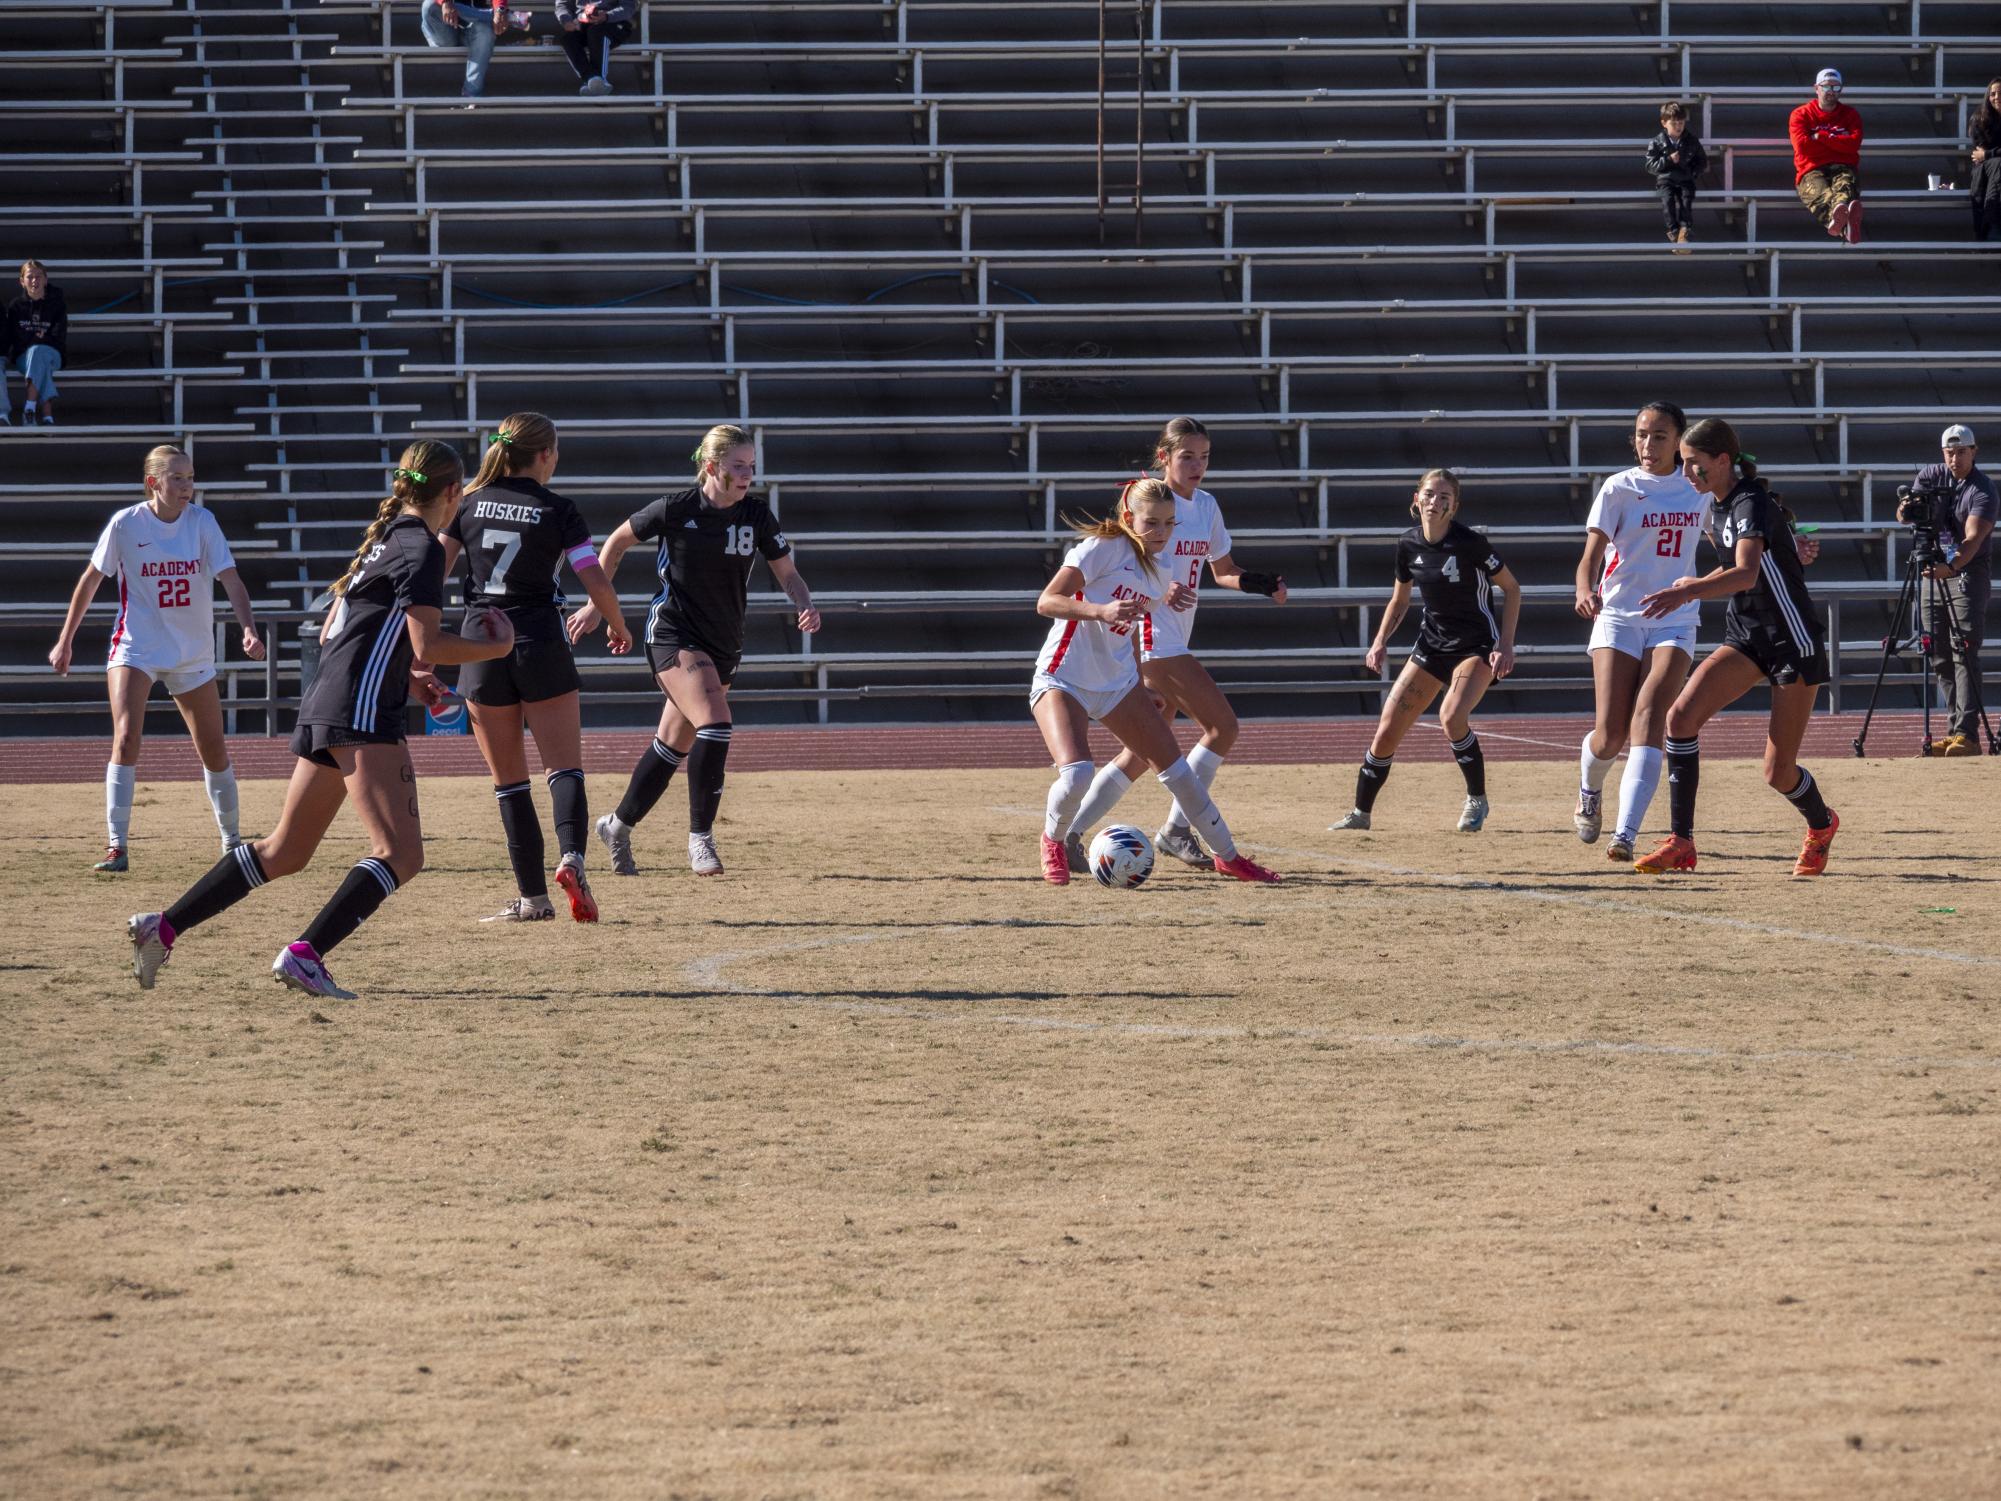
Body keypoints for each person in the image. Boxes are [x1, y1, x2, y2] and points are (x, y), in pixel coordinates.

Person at [126, 442, 515, 1000]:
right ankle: (305, 954)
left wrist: (407, 678)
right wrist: (494, 650)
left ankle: (160, 927)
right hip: (358, 707)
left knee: (286, 851)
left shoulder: (383, 539)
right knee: (401, 854)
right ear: (453, 493)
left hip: (330, 698)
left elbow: (351, 631)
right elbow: (427, 641)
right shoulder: (422, 548)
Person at [568, 425, 819, 878]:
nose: (747, 475)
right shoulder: (675, 508)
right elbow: (616, 543)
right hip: (672, 633)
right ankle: (700, 838)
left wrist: (804, 602)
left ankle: (617, 826)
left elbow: (788, 573)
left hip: (725, 641)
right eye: (738, 466)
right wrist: (594, 605)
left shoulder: (757, 516)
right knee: (716, 723)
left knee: (673, 744)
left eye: (752, 467)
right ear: (711, 466)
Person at [1060, 418, 1287, 873]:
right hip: (1150, 634)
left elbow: (1221, 570)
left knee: (1142, 754)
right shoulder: (1145, 498)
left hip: (1176, 633)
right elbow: (1125, 556)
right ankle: (1178, 830)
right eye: (1187, 456)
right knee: (1222, 727)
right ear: (1163, 457)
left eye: (1205, 456)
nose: (1198, 465)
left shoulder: (1206, 506)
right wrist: (1158, 591)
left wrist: (1259, 582)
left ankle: (1071, 833)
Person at [439, 414, 633, 922]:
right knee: (564, 767)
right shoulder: (558, 509)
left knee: (510, 783)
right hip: (541, 642)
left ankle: (532, 900)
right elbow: (594, 579)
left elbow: (428, 573)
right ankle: (571, 857)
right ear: (544, 454)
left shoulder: (469, 504)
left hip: (480, 645)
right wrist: (616, 625)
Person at [1633, 419, 1838, 876]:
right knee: (1680, 718)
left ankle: (1821, 826)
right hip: (1747, 635)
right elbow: (1744, 564)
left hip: (1792, 640)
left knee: (1777, 773)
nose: (1687, 473)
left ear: (1723, 461)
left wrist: (1686, 591)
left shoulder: (1750, 501)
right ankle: (1681, 842)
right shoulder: (1718, 504)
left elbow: (1746, 573)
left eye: (1694, 464)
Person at [49, 446, 266, 873]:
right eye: (178, 478)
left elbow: (232, 580)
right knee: (127, 735)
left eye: (191, 477)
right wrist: (65, 639)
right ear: (154, 483)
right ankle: (117, 846)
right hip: (137, 646)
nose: (188, 486)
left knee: (213, 750)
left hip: (191, 652)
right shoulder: (126, 524)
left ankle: (231, 841)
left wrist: (249, 628)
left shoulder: (203, 523)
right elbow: (91, 580)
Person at [1329, 469, 1521, 834]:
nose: (1436, 501)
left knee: (1451, 716)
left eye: (1445, 496)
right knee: (1387, 728)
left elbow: (1512, 589)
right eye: (1430, 494)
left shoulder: (1470, 543)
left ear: (1455, 505)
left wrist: (1505, 644)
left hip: (1476, 646)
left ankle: (1477, 799)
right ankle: (1360, 813)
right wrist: (1380, 640)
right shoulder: (1408, 543)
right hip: (1432, 646)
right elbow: (1400, 599)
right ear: (1416, 499)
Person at [1570, 401, 1712, 863]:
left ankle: (1625, 834)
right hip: (1619, 615)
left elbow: (1733, 540)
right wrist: (1584, 589)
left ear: (1679, 441)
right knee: (1610, 735)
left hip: (1675, 616)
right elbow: (1590, 556)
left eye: (1659, 436)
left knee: (1650, 717)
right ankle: (1590, 787)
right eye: (1641, 434)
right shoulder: (1619, 487)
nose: (1647, 445)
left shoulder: (1699, 488)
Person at [1899, 423, 1996, 755]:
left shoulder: (1982, 490)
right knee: (1938, 653)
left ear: (1974, 452)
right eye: (1950, 453)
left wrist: (1951, 566)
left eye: (1962, 452)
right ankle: (1954, 728)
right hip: (1931, 570)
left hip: (1965, 571)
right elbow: (1910, 510)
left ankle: (1967, 734)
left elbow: (1972, 539)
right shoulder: (1930, 475)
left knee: (1964, 650)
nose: (1955, 459)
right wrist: (1905, 510)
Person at [1790, 67, 1864, 244]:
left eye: (1836, 87)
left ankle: (1843, 225)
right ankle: (1847, 227)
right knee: (1818, 192)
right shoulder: (1801, 114)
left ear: (1841, 89)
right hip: (1811, 169)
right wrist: (1838, 142)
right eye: (1826, 87)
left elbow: (1854, 144)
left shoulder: (1850, 115)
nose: (1831, 91)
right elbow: (1802, 147)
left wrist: (1820, 137)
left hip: (1843, 165)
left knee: (1845, 185)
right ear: (1816, 88)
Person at [4, 259, 67, 426]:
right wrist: (40, 337)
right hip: (23, 358)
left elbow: (58, 336)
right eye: (30, 276)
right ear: (22, 281)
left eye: (39, 276)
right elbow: (16, 338)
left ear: (46, 280)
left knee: (38, 352)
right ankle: (47, 417)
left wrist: (35, 338)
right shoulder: (15, 306)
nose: (34, 281)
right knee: (38, 359)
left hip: (53, 354)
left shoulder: (57, 305)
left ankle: (30, 408)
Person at [419, 0, 516, 100]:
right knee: (429, 4)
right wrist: (446, 1)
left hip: (472, 29)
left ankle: (471, 96)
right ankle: (492, 16)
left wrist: (500, 9)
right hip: (445, 33)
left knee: (485, 31)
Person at [1645, 101, 1708, 250]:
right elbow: (1649, 165)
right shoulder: (1657, 142)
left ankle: (1684, 231)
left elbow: (1702, 161)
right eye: (1674, 123)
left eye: (1681, 122)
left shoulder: (1692, 141)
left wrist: (1693, 172)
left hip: (1685, 178)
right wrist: (1668, 160)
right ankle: (1674, 231)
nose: (1678, 126)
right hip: (1666, 179)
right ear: (1664, 123)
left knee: (1686, 200)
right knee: (1668, 202)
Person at [555, 0, 632, 95]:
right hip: (584, 23)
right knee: (568, 38)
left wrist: (607, 16)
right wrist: (566, 21)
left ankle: (601, 81)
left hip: (615, 22)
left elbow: (629, 6)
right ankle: (591, 79)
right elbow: (563, 5)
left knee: (596, 31)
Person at [1969, 78, 2001, 243]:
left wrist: (1989, 154)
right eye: (1993, 94)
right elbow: (1978, 155)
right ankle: (1993, 228)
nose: (1997, 97)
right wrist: (1991, 156)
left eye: (2000, 93)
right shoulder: (1979, 119)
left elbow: (1985, 154)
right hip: (1984, 170)